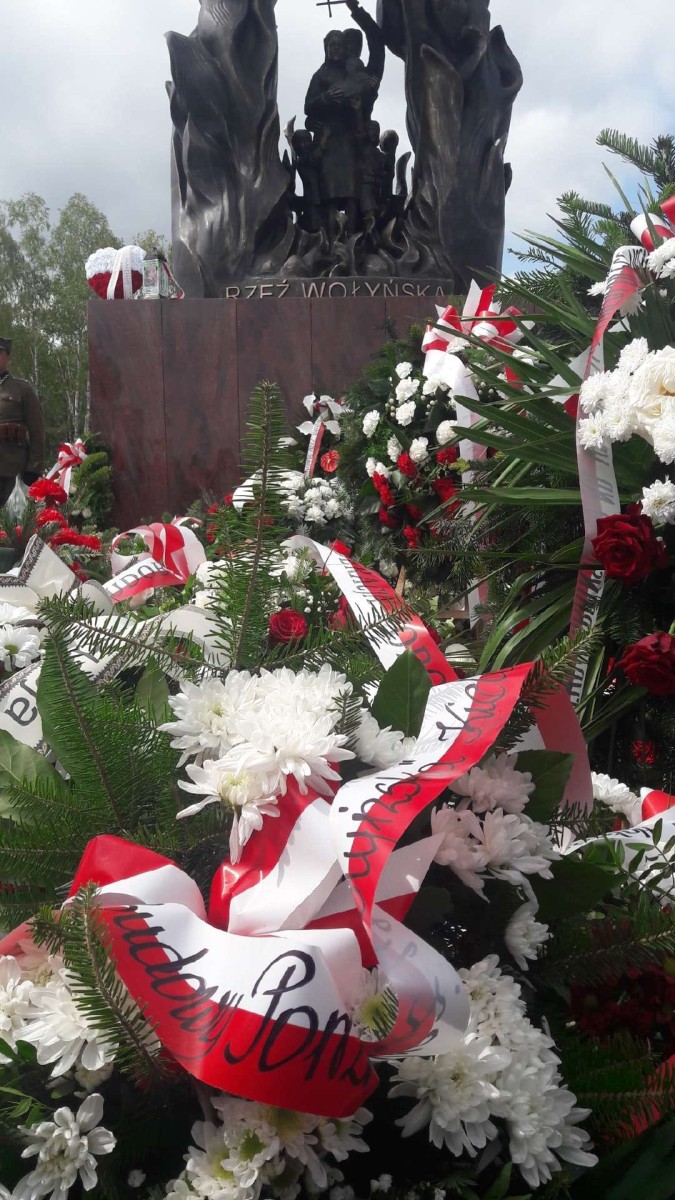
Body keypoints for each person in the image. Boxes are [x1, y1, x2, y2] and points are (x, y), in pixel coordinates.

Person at [0, 338, 46, 507]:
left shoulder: (22, 389)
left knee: (12, 519)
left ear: (8, 356)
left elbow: (37, 431)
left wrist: (34, 468)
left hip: (11, 469)